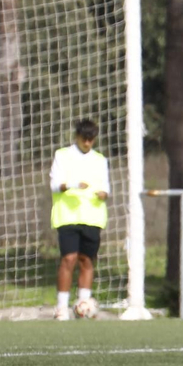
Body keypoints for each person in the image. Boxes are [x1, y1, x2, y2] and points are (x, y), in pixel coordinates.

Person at [48, 118, 110, 321]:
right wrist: (73, 184)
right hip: (68, 216)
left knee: (86, 260)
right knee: (69, 259)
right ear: (77, 136)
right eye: (85, 138)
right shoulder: (62, 155)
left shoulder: (100, 160)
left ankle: (83, 305)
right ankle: (61, 308)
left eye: (91, 139)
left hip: (92, 217)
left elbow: (106, 188)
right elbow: (54, 185)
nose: (88, 143)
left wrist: (103, 194)